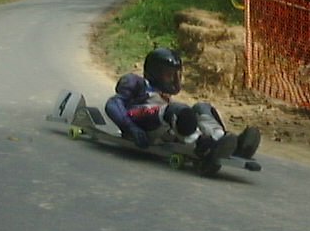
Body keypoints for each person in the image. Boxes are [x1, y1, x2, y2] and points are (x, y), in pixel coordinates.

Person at [105, 47, 260, 161]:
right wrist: (130, 127)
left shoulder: (165, 97)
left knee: (201, 108)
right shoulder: (136, 82)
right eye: (169, 75)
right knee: (177, 110)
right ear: (154, 73)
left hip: (164, 126)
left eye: (177, 75)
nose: (174, 80)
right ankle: (201, 145)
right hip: (140, 121)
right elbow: (113, 103)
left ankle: (223, 140)